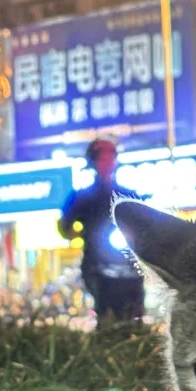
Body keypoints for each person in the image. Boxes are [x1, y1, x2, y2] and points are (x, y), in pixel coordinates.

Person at [58, 138, 145, 323]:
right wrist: (79, 235)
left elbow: (144, 223)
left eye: (109, 158)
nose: (106, 163)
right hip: (96, 262)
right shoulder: (81, 198)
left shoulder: (128, 195)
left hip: (127, 261)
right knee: (106, 309)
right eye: (101, 158)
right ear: (93, 163)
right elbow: (65, 225)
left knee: (134, 309)